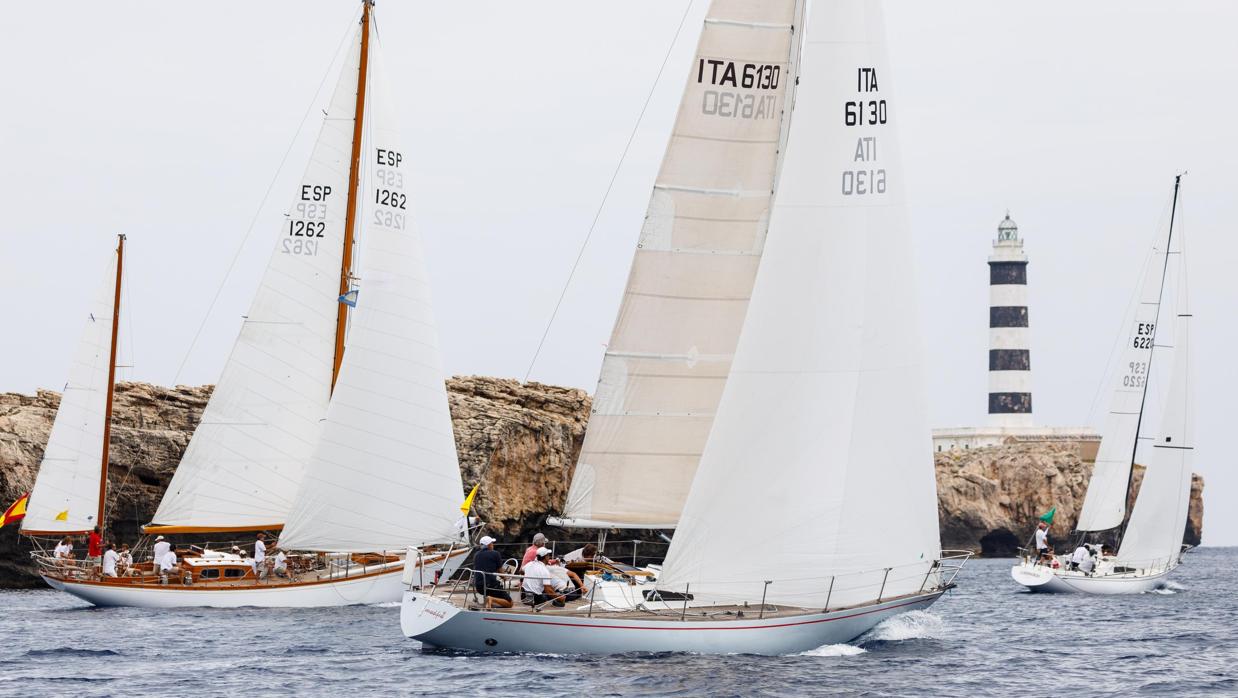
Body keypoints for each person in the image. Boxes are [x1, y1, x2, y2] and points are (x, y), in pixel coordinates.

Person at [472, 536, 513, 608]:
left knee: (493, 587)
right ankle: (491, 599)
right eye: (492, 543)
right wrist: (505, 577)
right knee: (510, 603)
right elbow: (501, 572)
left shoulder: (476, 555)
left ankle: (489, 601)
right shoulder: (495, 554)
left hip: (479, 587)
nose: (493, 545)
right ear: (489, 545)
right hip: (490, 586)